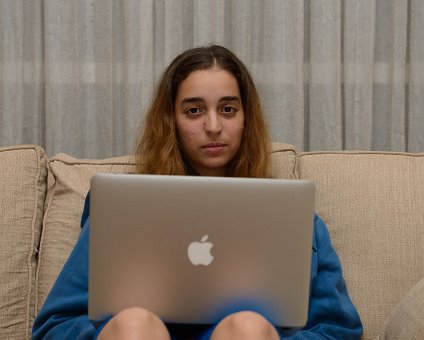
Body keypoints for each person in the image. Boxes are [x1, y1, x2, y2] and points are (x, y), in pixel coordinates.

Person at [32, 45, 363, 339]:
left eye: (228, 109)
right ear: (170, 121)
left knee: (246, 326)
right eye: (194, 110)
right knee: (135, 324)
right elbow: (54, 326)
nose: (214, 126)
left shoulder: (294, 218)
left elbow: (338, 328)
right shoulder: (122, 211)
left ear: (247, 119)